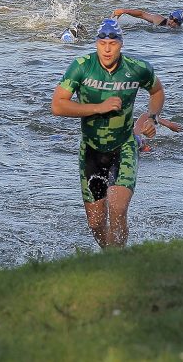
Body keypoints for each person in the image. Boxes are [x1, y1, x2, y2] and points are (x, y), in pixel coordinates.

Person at [51, 18, 166, 249]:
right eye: (102, 43)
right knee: (95, 223)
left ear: (121, 44)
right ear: (96, 44)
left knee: (117, 209)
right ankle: (109, 254)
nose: (106, 48)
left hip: (123, 147)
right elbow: (57, 105)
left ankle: (118, 259)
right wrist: (98, 108)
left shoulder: (137, 68)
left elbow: (157, 91)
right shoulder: (82, 66)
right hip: (91, 152)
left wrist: (152, 117)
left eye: (112, 43)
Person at [112, 7, 183, 29]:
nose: (171, 21)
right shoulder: (159, 19)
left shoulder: (179, 31)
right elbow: (142, 14)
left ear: (179, 24)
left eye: (175, 20)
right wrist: (125, 11)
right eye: (171, 17)